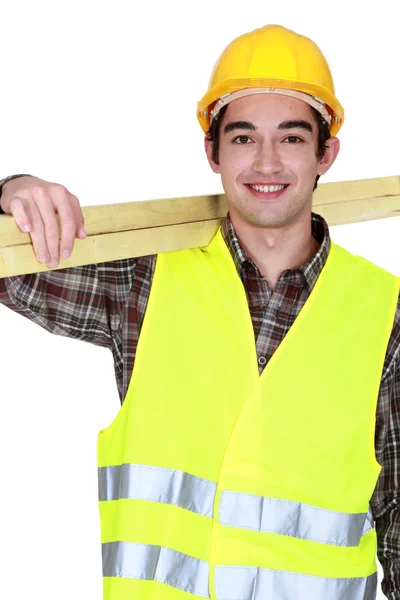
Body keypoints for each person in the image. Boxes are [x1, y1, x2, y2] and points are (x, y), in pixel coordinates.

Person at [0, 24, 399, 600]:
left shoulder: (386, 315)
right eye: (242, 139)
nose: (266, 163)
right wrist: (12, 191)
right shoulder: (141, 283)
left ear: (325, 153)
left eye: (290, 138)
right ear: (212, 152)